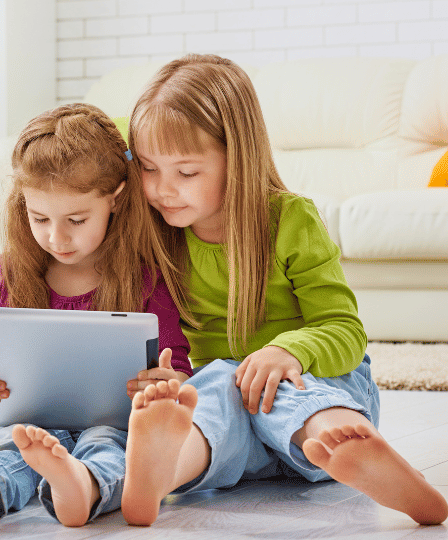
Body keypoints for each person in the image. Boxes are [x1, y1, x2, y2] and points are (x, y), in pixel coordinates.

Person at [119, 53, 448, 527]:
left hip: (317, 385)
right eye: (149, 168)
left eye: (186, 172)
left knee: (282, 392)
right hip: (236, 408)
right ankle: (160, 471)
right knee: (208, 395)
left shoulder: (291, 221)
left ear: (238, 159)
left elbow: (346, 332)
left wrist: (288, 352)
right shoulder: (158, 233)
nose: (162, 189)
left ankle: (351, 448)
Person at [0, 103, 193, 527]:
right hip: (32, 420)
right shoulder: (8, 277)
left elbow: (178, 372)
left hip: (115, 422)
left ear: (115, 200)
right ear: (21, 202)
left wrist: (167, 383)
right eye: (39, 217)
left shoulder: (145, 280)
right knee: (13, 444)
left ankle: (81, 484)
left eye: (76, 219)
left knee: (108, 446)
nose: (55, 237)